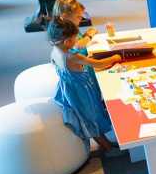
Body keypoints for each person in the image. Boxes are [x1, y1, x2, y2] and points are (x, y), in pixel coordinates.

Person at [47, 17, 120, 153]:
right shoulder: (72, 56)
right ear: (67, 41)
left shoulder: (55, 51)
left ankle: (107, 144)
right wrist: (115, 57)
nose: (76, 41)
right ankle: (108, 149)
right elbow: (98, 64)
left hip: (70, 90)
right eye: (75, 38)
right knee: (92, 117)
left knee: (88, 117)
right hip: (82, 92)